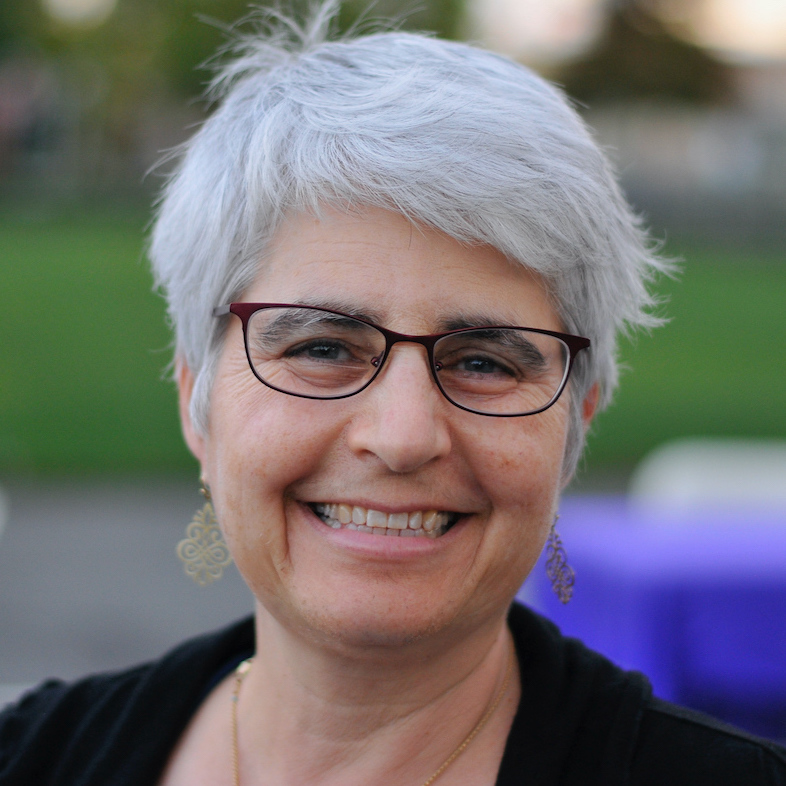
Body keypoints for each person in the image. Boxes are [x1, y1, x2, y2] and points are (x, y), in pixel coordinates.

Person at [1, 3, 784, 784]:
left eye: (485, 362)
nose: (404, 435)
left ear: (577, 420)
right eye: (322, 348)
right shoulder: (31, 759)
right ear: (195, 399)